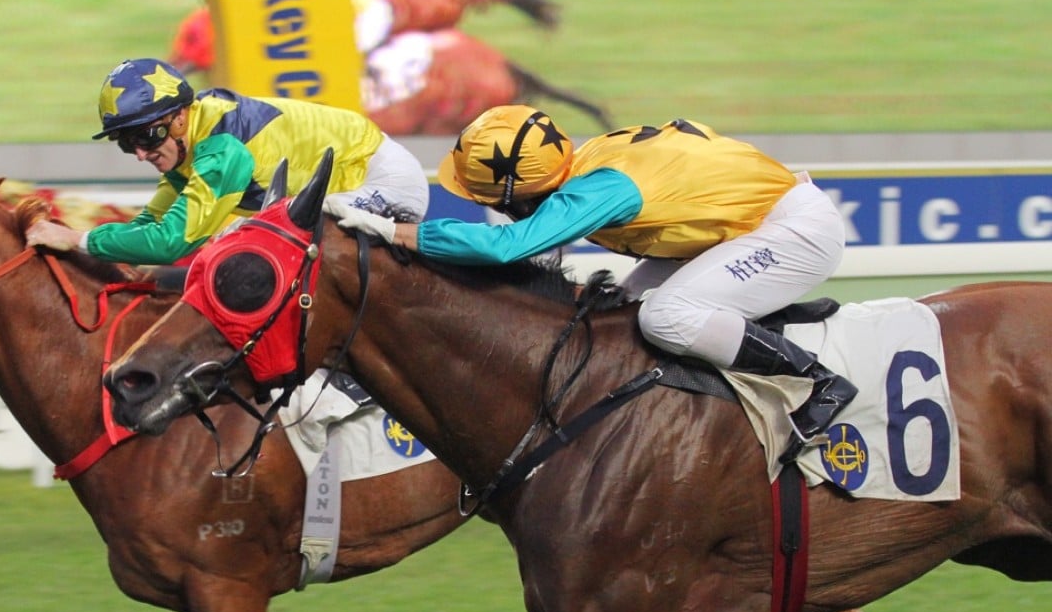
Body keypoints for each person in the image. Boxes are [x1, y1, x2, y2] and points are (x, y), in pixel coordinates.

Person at [327, 105, 856, 463]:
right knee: (617, 309)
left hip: (790, 231)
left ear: (516, 193)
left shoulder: (599, 190)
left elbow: (508, 248)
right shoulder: (588, 163)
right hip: (749, 221)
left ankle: (813, 380)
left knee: (664, 317)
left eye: (491, 200)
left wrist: (392, 230)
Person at [25, 57, 429, 264]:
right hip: (341, 187)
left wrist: (76, 240)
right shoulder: (188, 147)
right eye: (126, 143)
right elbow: (147, 228)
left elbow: (169, 245)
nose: (142, 153)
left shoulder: (221, 149)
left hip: (381, 182)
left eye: (147, 136)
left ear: (179, 117)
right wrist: (82, 243)